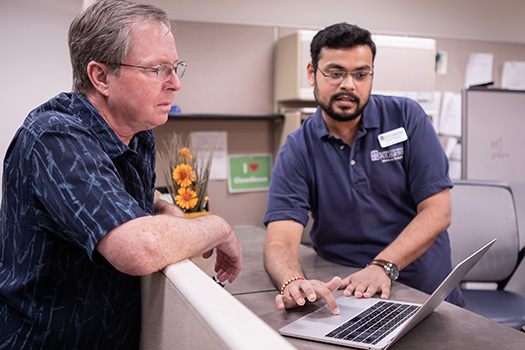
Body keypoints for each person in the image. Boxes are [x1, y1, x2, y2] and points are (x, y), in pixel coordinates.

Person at [0, 0, 242, 348]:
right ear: (100, 77)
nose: (175, 84)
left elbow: (120, 196)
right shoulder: (55, 136)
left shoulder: (135, 133)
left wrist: (161, 209)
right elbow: (137, 249)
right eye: (157, 68)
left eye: (175, 68)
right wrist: (219, 227)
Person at [263, 22, 463, 315]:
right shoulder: (298, 148)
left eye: (360, 74)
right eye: (335, 72)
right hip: (346, 298)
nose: (348, 84)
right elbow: (280, 239)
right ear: (311, 73)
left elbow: (438, 211)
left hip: (427, 294)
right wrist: (292, 281)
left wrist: (382, 266)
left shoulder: (407, 117)